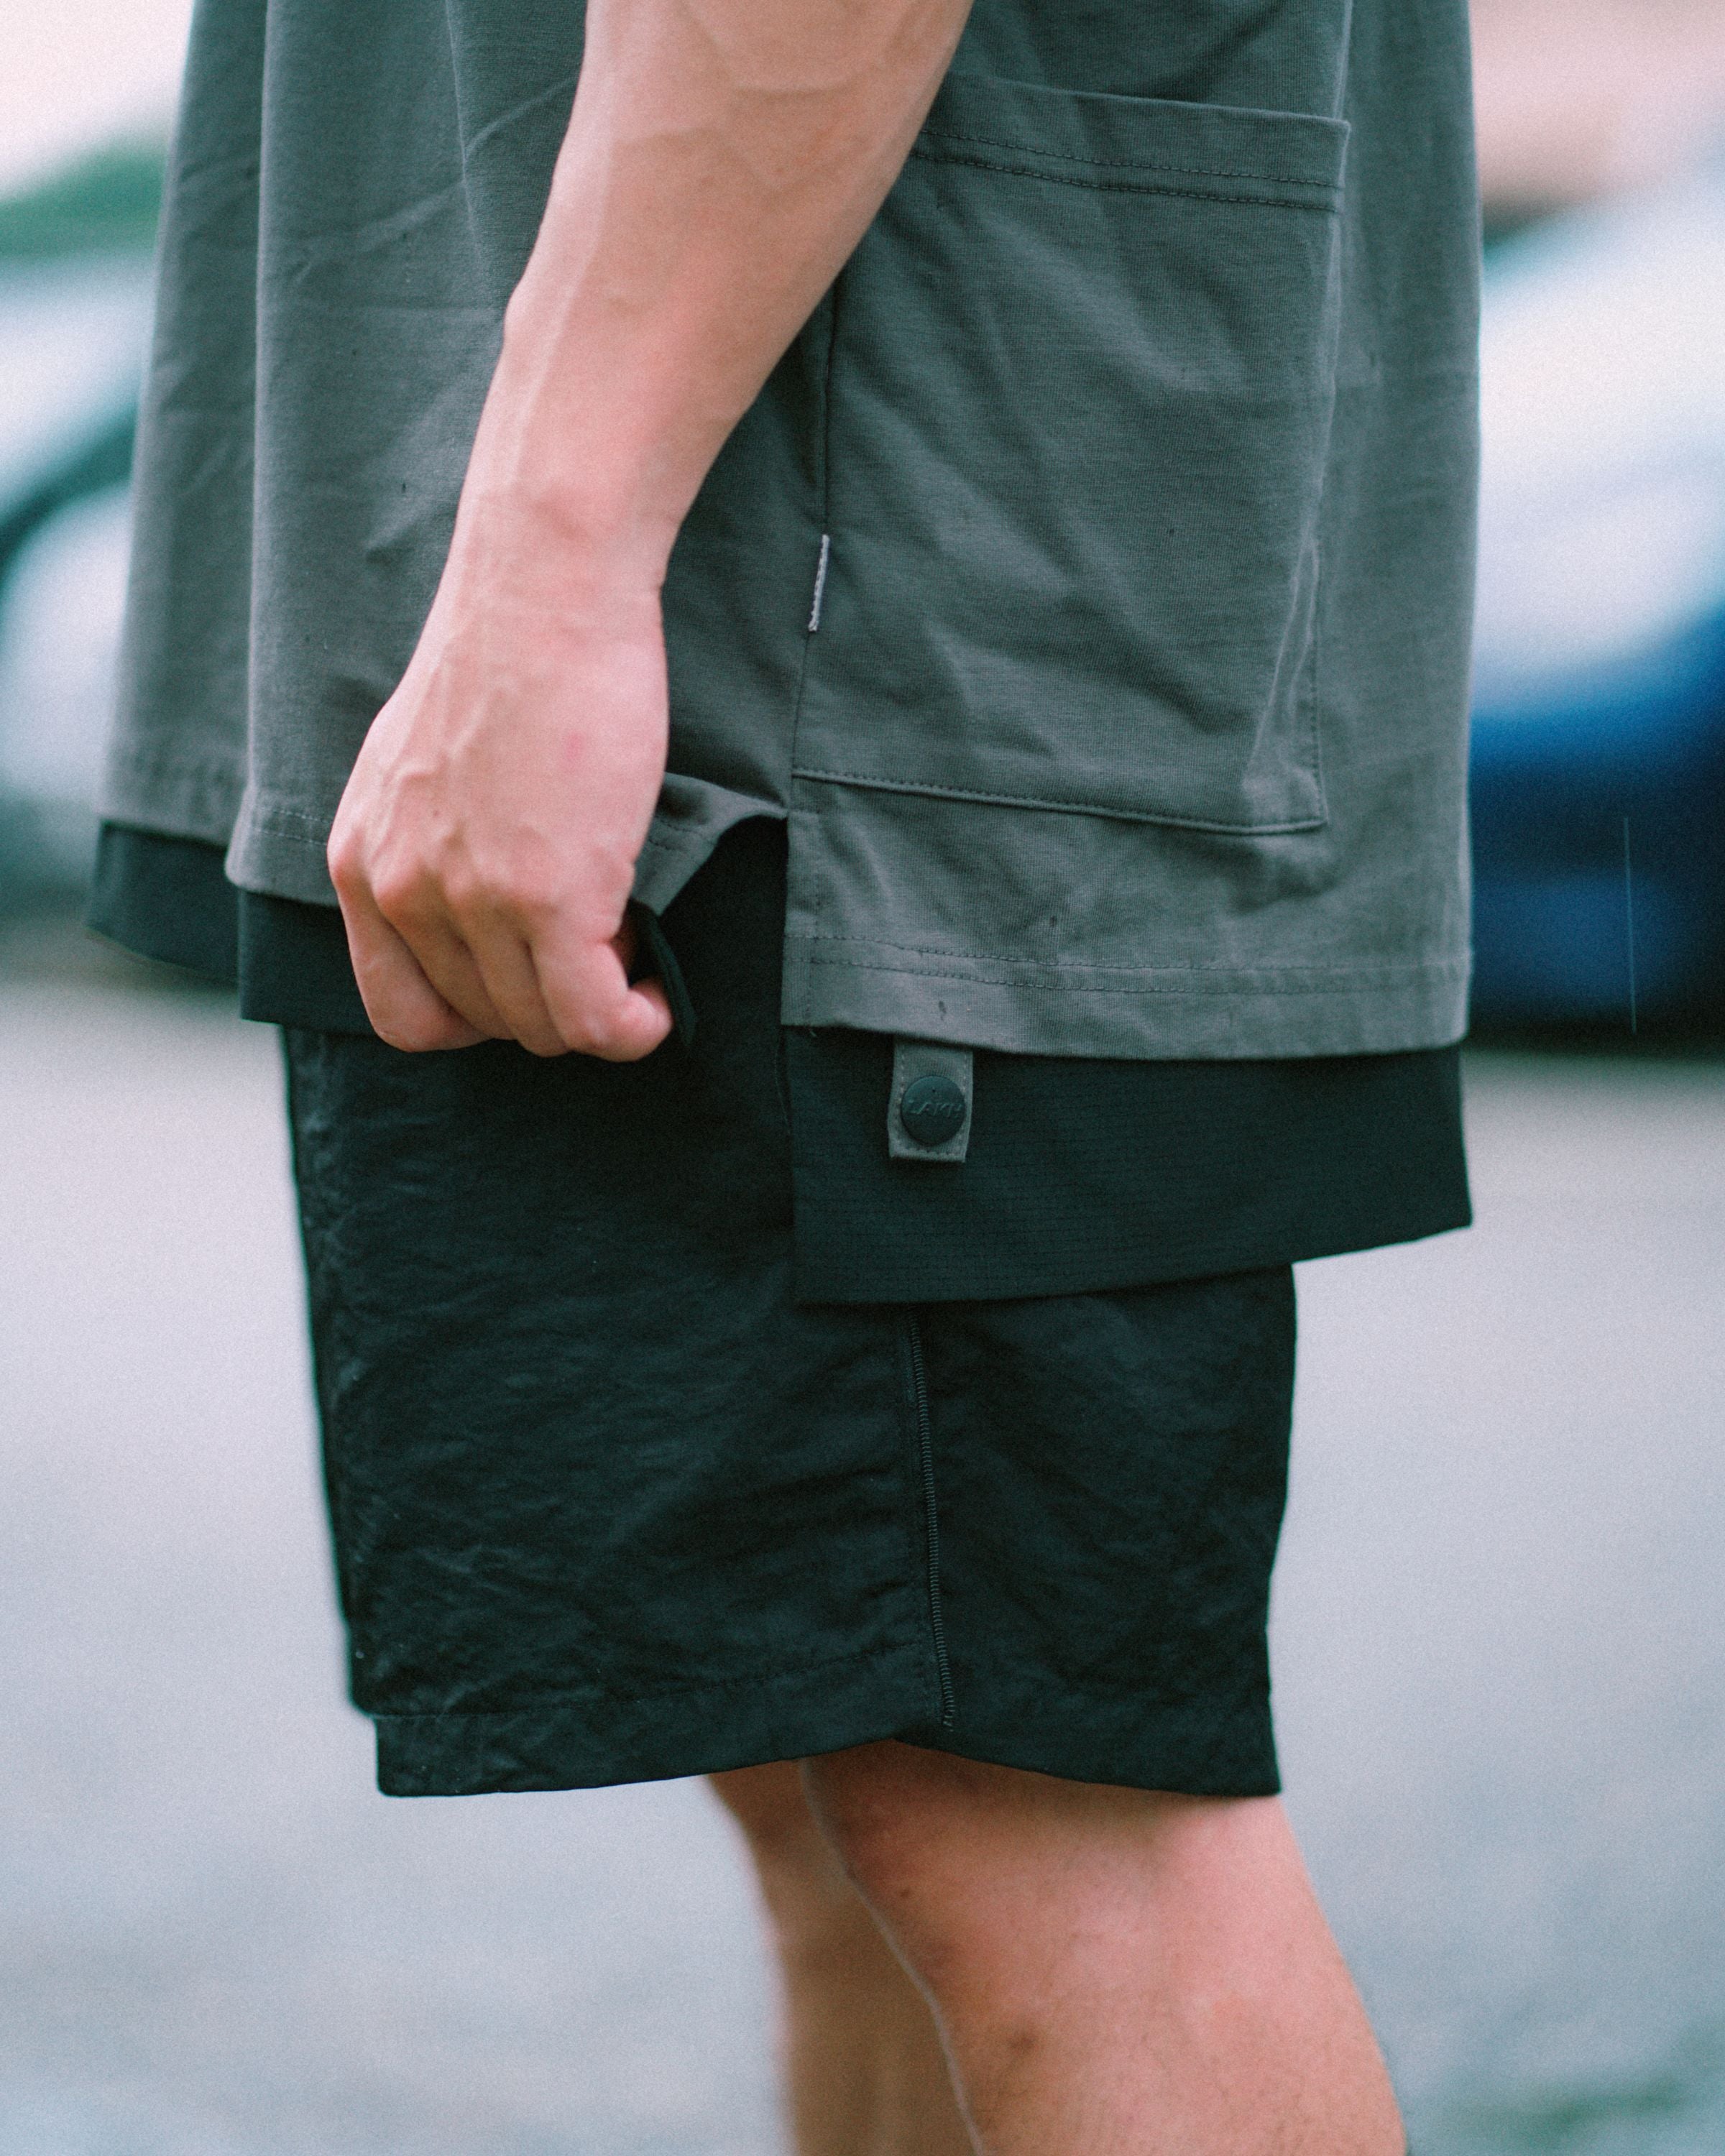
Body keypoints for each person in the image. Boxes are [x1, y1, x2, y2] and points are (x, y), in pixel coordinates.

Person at [91, 0, 1479, 2147]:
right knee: (818, 1751)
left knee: (1028, 1805)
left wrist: (556, 559)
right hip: (722, 566)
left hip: (855, 616)